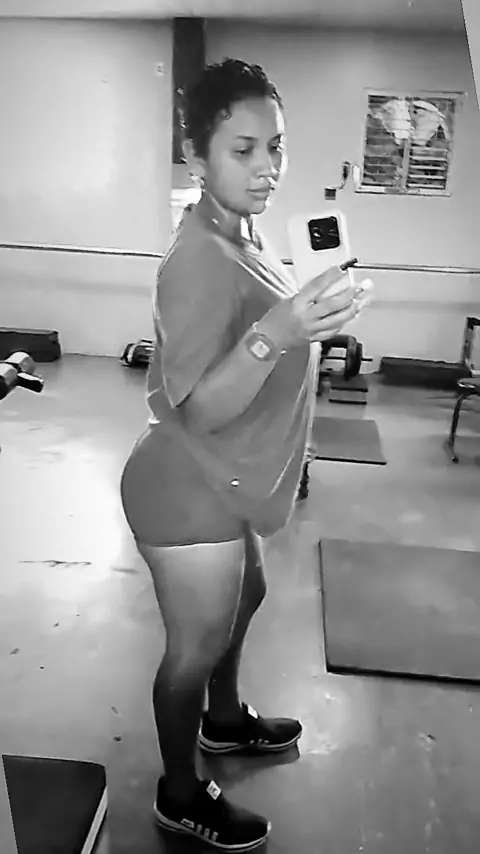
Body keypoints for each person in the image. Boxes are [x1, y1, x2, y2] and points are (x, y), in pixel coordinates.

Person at [120, 58, 369, 851]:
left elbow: (262, 335)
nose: (268, 168)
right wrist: (279, 333)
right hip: (186, 482)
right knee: (191, 651)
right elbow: (199, 404)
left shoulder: (243, 234)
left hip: (225, 475)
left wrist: (307, 318)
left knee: (247, 593)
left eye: (277, 146)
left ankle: (223, 722)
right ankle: (179, 791)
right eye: (244, 149)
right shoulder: (195, 258)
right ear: (197, 157)